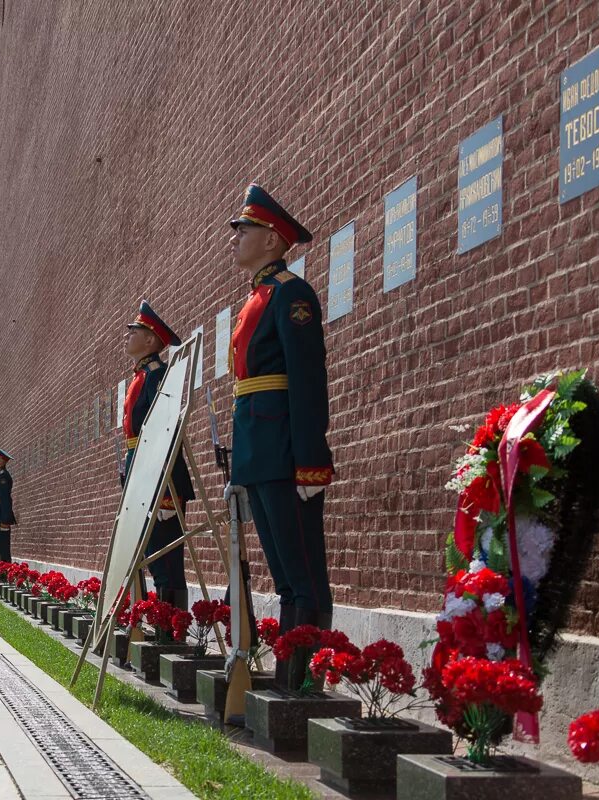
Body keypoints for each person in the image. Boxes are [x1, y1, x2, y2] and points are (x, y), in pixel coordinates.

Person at [225, 183, 333, 690]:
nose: (236, 239)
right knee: (286, 579)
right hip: (258, 454)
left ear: (271, 239)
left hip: (288, 456)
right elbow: (247, 387)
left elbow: (307, 382)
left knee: (304, 576)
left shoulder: (293, 294)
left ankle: (303, 684)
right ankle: (289, 681)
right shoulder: (259, 296)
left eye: (244, 230)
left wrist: (311, 461)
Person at [122, 301, 194, 610]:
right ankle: (159, 621)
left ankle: (171, 628)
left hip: (160, 479)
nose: (128, 336)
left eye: (134, 331)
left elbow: (165, 434)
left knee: (166, 560)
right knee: (150, 556)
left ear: (151, 340)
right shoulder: (140, 377)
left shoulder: (158, 375)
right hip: (141, 476)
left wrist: (167, 493)